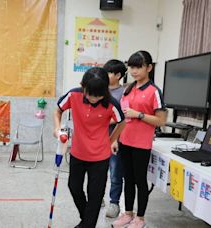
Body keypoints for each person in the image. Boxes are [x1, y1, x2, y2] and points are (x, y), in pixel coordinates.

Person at [54, 67, 126, 228]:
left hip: (100, 157)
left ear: (105, 91)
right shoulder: (73, 95)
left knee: (95, 195)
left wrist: (110, 140)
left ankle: (87, 224)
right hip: (78, 153)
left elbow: (122, 122)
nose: (94, 99)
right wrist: (57, 128)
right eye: (90, 95)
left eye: (98, 96)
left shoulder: (111, 103)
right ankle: (86, 221)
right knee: (74, 187)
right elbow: (58, 110)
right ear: (83, 86)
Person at [112, 51, 166, 228]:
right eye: (131, 67)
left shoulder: (154, 91)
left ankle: (140, 218)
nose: (134, 71)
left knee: (140, 180)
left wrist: (139, 115)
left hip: (142, 144)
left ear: (149, 68)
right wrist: (115, 139)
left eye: (138, 67)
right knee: (127, 178)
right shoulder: (128, 88)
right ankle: (128, 213)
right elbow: (121, 117)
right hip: (125, 141)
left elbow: (161, 120)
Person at [102, 59, 127, 218]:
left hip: (116, 137)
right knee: (97, 171)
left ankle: (114, 202)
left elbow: (122, 117)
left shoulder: (124, 93)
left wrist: (102, 119)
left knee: (115, 172)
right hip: (98, 137)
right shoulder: (100, 89)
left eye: (109, 72)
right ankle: (98, 197)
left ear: (118, 75)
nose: (105, 74)